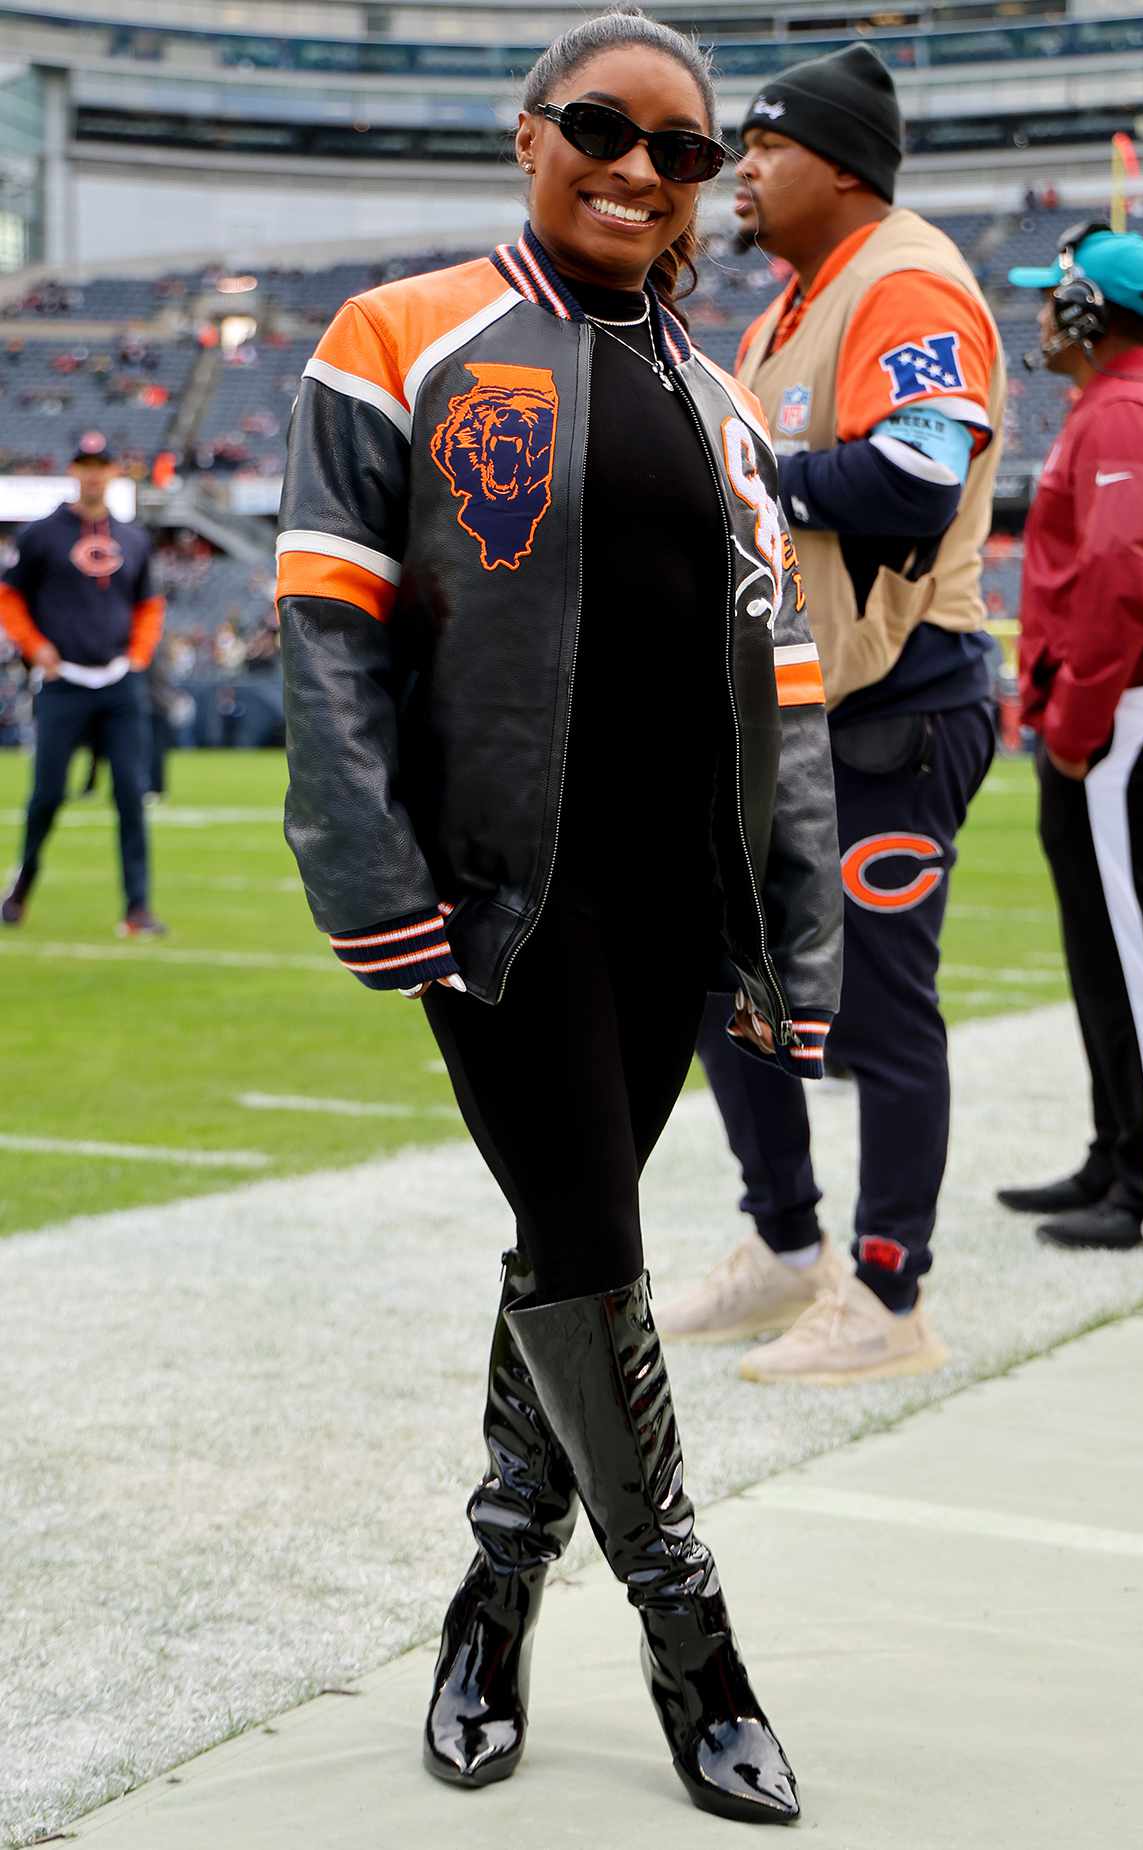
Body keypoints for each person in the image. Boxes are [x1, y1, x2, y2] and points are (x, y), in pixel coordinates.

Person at [276, 9, 841, 1824]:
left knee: (556, 1246)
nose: (641, 167)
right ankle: (702, 1658)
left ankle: (491, 1598)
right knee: (593, 1240)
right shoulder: (399, 334)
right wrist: (366, 870)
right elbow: (327, 630)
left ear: (700, 191)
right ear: (531, 134)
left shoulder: (722, 396)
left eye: (683, 152)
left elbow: (793, 689)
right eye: (605, 126)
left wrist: (797, 934)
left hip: (674, 899)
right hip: (498, 898)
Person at [657, 45, 1005, 1383]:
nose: (741, 168)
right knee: (720, 971)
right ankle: (789, 1241)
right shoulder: (784, 307)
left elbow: (918, 474)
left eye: (766, 146)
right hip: (794, 703)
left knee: (877, 1001)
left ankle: (888, 1290)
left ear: (842, 162)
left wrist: (753, 478)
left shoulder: (902, 274)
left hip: (899, 700)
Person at [997, 224, 1143, 1249]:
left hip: (1122, 710)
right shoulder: (1107, 411)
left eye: (1050, 298)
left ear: (1086, 312)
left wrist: (1071, 721)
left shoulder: (1125, 419)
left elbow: (1123, 586)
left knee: (1132, 945)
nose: (1035, 314)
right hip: (1104, 706)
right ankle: (1116, 1148)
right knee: (1100, 946)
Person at [0, 432, 167, 935]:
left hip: (119, 683)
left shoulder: (133, 536)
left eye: (102, 463)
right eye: (85, 463)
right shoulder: (42, 534)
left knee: (130, 796)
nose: (93, 472)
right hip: (64, 682)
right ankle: (21, 889)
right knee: (46, 795)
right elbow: (9, 597)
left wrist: (138, 657)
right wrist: (36, 648)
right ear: (73, 470)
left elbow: (149, 605)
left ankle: (137, 909)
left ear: (115, 471)